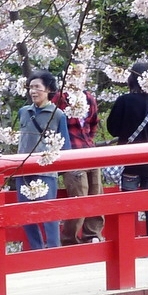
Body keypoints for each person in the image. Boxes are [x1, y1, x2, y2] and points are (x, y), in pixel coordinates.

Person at [107, 61, 148, 236]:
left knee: (128, 202)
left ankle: (128, 241)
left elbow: (112, 129)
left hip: (130, 160)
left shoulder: (124, 101)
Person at [16, 71, 70, 250]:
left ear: (48, 90)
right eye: (31, 87)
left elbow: (65, 145)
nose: (33, 91)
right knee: (24, 213)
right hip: (23, 171)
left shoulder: (58, 114)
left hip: (46, 171)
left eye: (37, 87)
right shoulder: (24, 111)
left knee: (48, 212)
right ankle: (36, 249)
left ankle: (54, 248)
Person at [54, 82, 104, 245]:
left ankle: (93, 234)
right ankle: (70, 238)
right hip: (72, 151)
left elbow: (94, 122)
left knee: (96, 192)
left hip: (89, 149)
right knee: (79, 194)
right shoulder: (60, 98)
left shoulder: (89, 97)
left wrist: (89, 140)